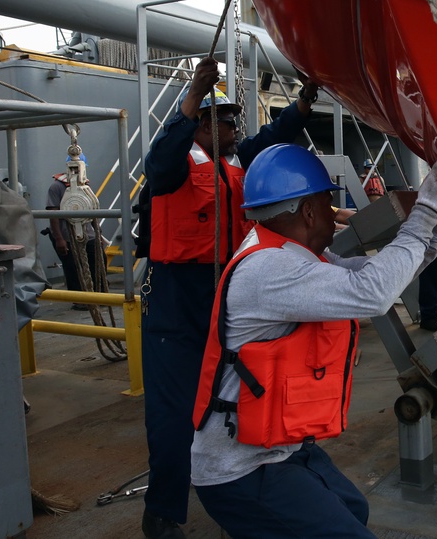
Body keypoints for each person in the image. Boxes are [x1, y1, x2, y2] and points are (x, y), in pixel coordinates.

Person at [190, 143, 437, 538]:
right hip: (241, 469)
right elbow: (373, 292)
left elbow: (383, 273)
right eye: (328, 203)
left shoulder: (295, 255)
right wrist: (424, 212)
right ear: (308, 211)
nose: (333, 214)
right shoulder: (270, 270)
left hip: (279, 448)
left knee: (353, 508)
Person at [139, 57, 321, 539]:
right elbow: (158, 162)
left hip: (222, 289)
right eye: (222, 119)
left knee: (230, 393)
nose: (233, 126)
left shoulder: (231, 164)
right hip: (178, 298)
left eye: (232, 119)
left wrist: (304, 101)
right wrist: (194, 94)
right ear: (200, 125)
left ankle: (240, 480)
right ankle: (161, 512)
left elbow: (272, 139)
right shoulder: (174, 167)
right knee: (173, 409)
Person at [45, 153, 104, 309]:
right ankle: (79, 300)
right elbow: (53, 214)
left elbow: (92, 209)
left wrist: (98, 232)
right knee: (73, 268)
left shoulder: (85, 185)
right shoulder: (57, 187)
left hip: (88, 234)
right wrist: (59, 239)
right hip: (67, 236)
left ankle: (101, 296)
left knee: (98, 261)